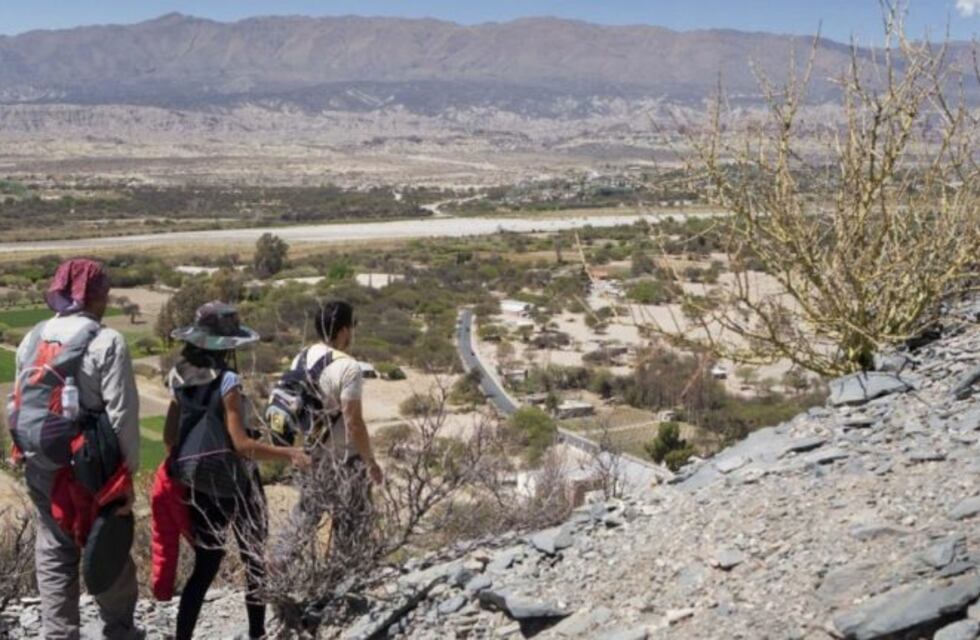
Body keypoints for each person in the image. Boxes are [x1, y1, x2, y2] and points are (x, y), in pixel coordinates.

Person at [162, 301, 310, 640]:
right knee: (254, 560)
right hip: (238, 484)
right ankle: (257, 634)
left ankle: (182, 636)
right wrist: (288, 453)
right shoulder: (228, 381)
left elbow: (171, 437)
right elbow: (242, 445)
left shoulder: (178, 375)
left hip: (198, 484)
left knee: (204, 566)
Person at [12, 258, 142, 640]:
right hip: (92, 466)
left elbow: (20, 394)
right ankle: (119, 631)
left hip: (41, 462)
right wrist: (126, 478)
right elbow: (122, 415)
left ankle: (59, 633)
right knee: (106, 545)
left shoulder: (34, 336)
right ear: (96, 294)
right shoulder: (106, 341)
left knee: (53, 548)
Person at [282, 300, 383, 560]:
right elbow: (354, 422)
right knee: (352, 525)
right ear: (345, 330)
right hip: (345, 460)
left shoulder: (301, 357)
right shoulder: (348, 367)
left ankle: (276, 571)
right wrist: (370, 462)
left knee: (304, 519)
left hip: (311, 455)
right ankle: (343, 585)